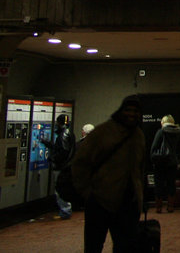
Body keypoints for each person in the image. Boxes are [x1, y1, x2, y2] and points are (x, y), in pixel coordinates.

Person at [71, 95, 146, 253]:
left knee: (126, 246)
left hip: (128, 203)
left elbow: (138, 168)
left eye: (135, 111)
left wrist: (139, 196)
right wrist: (88, 193)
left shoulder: (138, 135)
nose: (131, 115)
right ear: (121, 111)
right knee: (93, 246)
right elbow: (80, 163)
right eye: (128, 110)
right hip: (100, 200)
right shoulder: (103, 132)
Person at [150, 114, 180, 213]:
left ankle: (158, 207)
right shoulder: (178, 132)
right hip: (172, 163)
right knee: (171, 184)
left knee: (159, 184)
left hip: (160, 162)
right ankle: (170, 206)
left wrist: (153, 159)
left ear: (163, 122)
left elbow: (154, 147)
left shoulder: (161, 132)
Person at [43, 114, 76, 219]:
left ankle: (65, 212)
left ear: (59, 123)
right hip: (68, 166)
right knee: (63, 188)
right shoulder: (69, 133)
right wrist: (48, 144)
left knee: (60, 190)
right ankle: (65, 211)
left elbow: (62, 152)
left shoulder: (63, 135)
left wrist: (53, 158)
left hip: (62, 167)